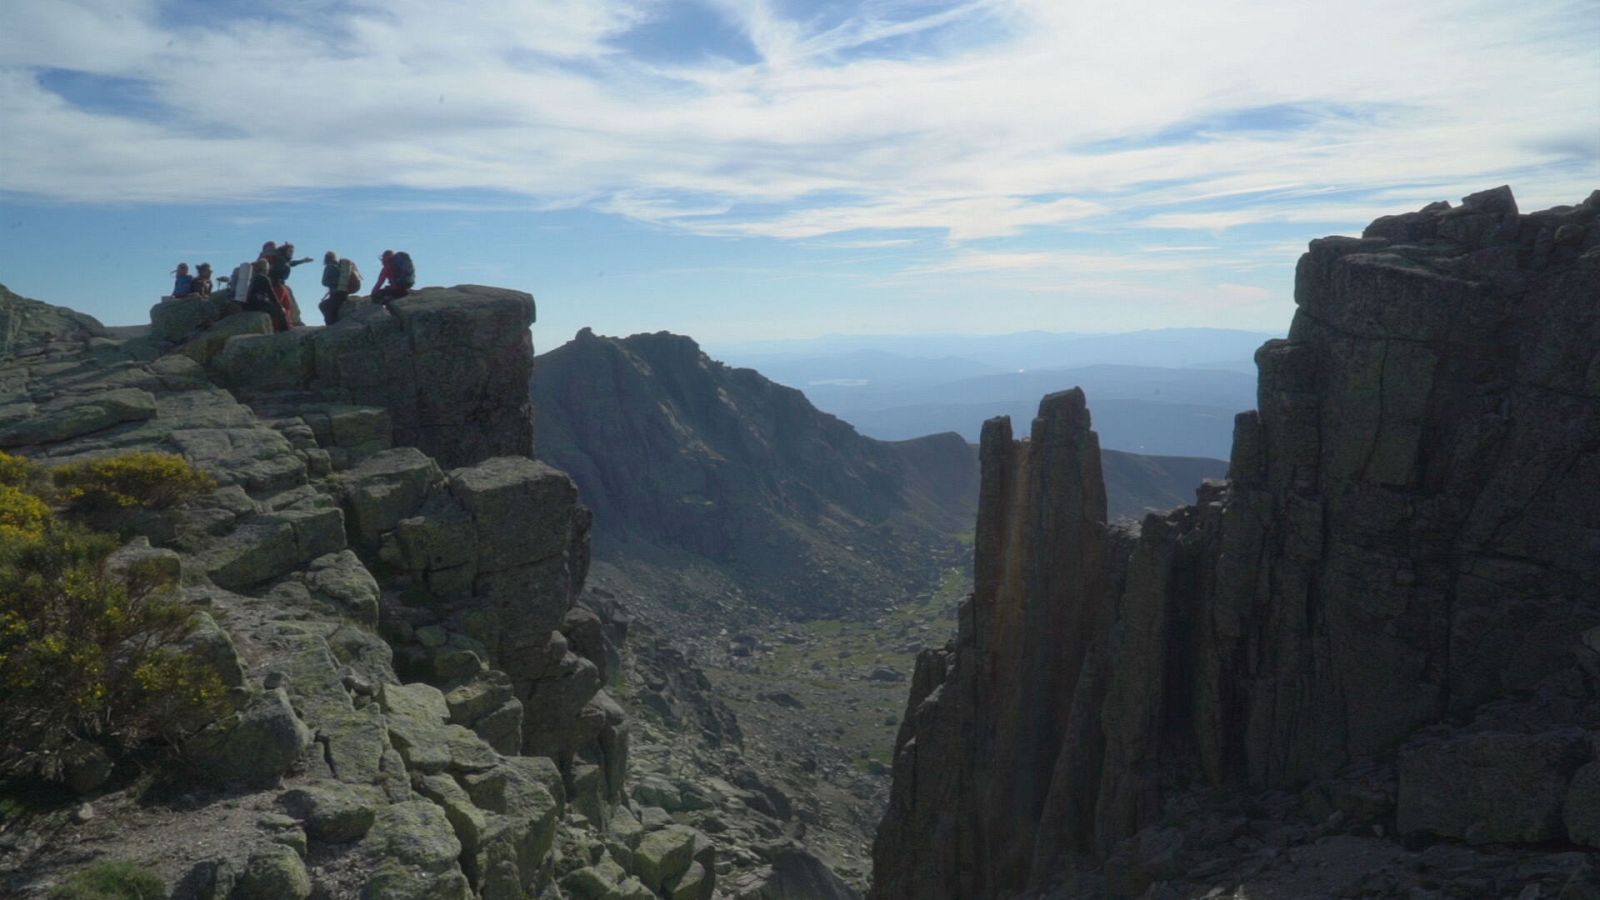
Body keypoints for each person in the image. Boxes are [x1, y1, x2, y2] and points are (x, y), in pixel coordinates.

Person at [269, 242, 313, 327]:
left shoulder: (282, 259)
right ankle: (294, 321)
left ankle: (292, 321)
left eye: (292, 251)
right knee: (288, 304)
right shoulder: (281, 260)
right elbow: (284, 266)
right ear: (285, 251)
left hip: (279, 285)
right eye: (290, 251)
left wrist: (303, 261)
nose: (292, 253)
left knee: (287, 303)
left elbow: (291, 263)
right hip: (278, 285)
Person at [243, 259, 288, 332]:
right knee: (280, 312)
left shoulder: (252, 277)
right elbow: (272, 295)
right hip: (259, 304)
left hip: (248, 304)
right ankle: (284, 332)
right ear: (265, 268)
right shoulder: (264, 278)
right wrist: (280, 307)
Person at [318, 251, 349, 325]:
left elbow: (324, 282)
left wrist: (333, 284)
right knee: (333, 308)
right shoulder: (340, 267)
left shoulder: (329, 267)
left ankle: (331, 326)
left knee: (323, 306)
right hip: (344, 293)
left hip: (335, 294)